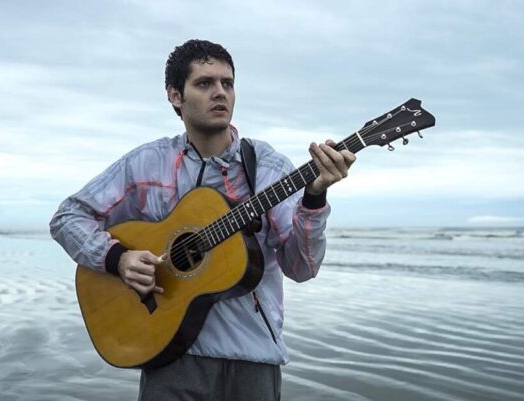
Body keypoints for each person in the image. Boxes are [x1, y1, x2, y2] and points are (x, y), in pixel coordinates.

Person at [50, 39, 356, 401]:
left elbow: (302, 267)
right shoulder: (148, 163)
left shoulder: (269, 168)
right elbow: (68, 216)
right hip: (169, 353)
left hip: (252, 358)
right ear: (175, 96)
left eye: (227, 83)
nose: (220, 93)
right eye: (205, 83)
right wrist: (119, 259)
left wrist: (315, 196)